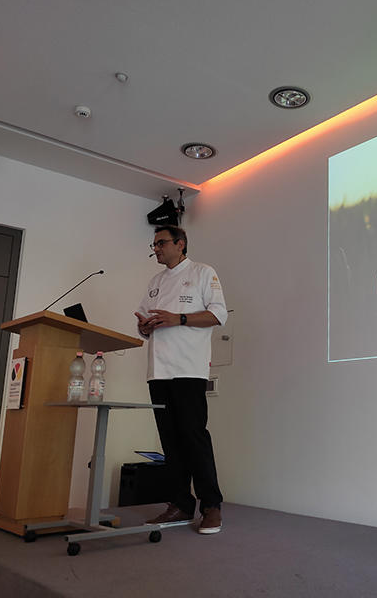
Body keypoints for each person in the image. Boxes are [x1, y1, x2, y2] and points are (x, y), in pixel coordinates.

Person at [134, 225, 227, 534]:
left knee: (194, 437)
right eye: (154, 244)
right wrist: (145, 327)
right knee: (170, 441)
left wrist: (180, 318)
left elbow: (218, 314)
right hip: (158, 372)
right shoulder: (155, 282)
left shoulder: (202, 272)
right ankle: (180, 504)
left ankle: (211, 506)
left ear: (180, 244)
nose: (156, 249)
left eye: (161, 243)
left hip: (188, 369)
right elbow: (144, 323)